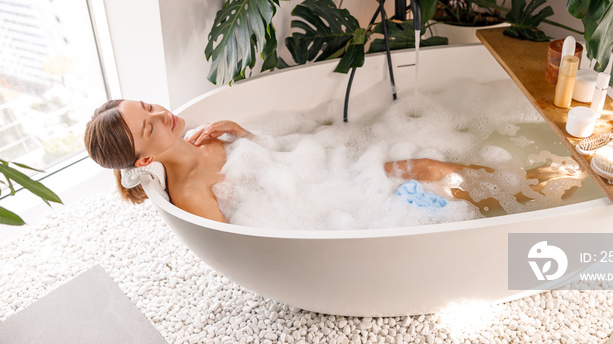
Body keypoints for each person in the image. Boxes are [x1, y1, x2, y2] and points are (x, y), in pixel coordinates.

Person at [84, 99, 501, 222]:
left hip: (331, 177)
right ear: (145, 160)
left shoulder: (202, 137)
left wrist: (245, 134)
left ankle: (514, 192)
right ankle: (510, 210)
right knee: (432, 176)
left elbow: (285, 158)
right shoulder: (192, 195)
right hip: (328, 210)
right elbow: (255, 233)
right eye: (149, 127)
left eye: (148, 106)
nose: (161, 114)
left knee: (429, 165)